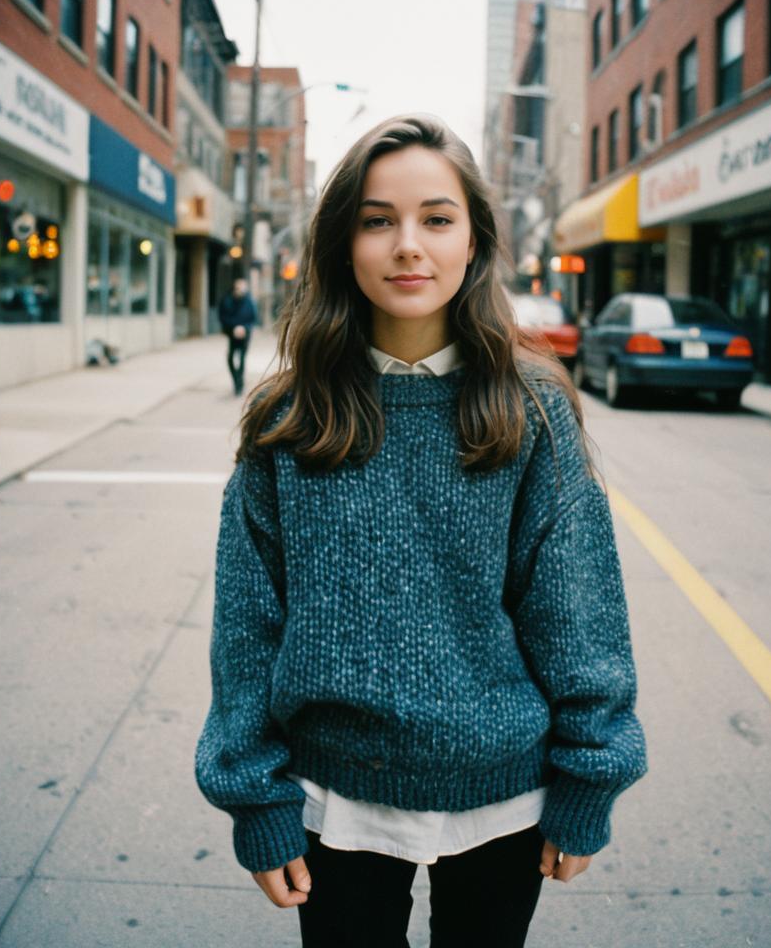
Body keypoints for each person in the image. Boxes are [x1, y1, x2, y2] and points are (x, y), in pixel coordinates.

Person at [195, 115, 647, 948]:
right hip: (334, 800)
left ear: (473, 242)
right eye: (378, 220)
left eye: (437, 219)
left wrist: (591, 778)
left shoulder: (531, 408)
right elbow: (247, 628)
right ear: (343, 243)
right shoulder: (287, 419)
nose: (409, 245)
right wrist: (255, 797)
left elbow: (577, 612)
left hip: (504, 798)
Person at [218, 276, 258, 396]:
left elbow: (253, 318)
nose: (240, 289)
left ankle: (240, 383)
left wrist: (244, 328)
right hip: (232, 334)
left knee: (241, 358)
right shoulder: (227, 300)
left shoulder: (249, 301)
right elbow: (223, 316)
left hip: (245, 335)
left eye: (242, 287)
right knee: (230, 358)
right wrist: (234, 328)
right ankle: (236, 380)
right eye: (238, 286)